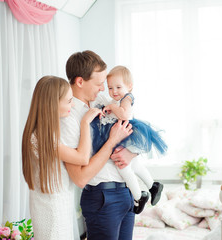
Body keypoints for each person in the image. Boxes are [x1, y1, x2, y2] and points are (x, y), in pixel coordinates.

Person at [22, 76, 132, 240]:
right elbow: (82, 158)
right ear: (52, 103)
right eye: (68, 101)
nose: (72, 105)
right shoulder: (41, 137)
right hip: (52, 209)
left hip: (58, 204)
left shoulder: (47, 133)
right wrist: (85, 122)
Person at [61, 50, 139, 240]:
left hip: (125, 192)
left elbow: (133, 128)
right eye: (98, 84)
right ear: (80, 82)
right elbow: (79, 178)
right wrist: (112, 141)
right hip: (102, 198)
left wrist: (131, 153)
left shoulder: (103, 101)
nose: (104, 89)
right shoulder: (67, 118)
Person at [91, 65, 167, 214]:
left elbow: (124, 115)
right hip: (125, 133)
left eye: (118, 87)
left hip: (129, 132)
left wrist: (112, 106)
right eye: (110, 88)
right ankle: (153, 186)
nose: (114, 92)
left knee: (123, 167)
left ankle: (139, 196)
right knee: (135, 164)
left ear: (129, 86)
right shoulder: (117, 99)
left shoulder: (127, 98)